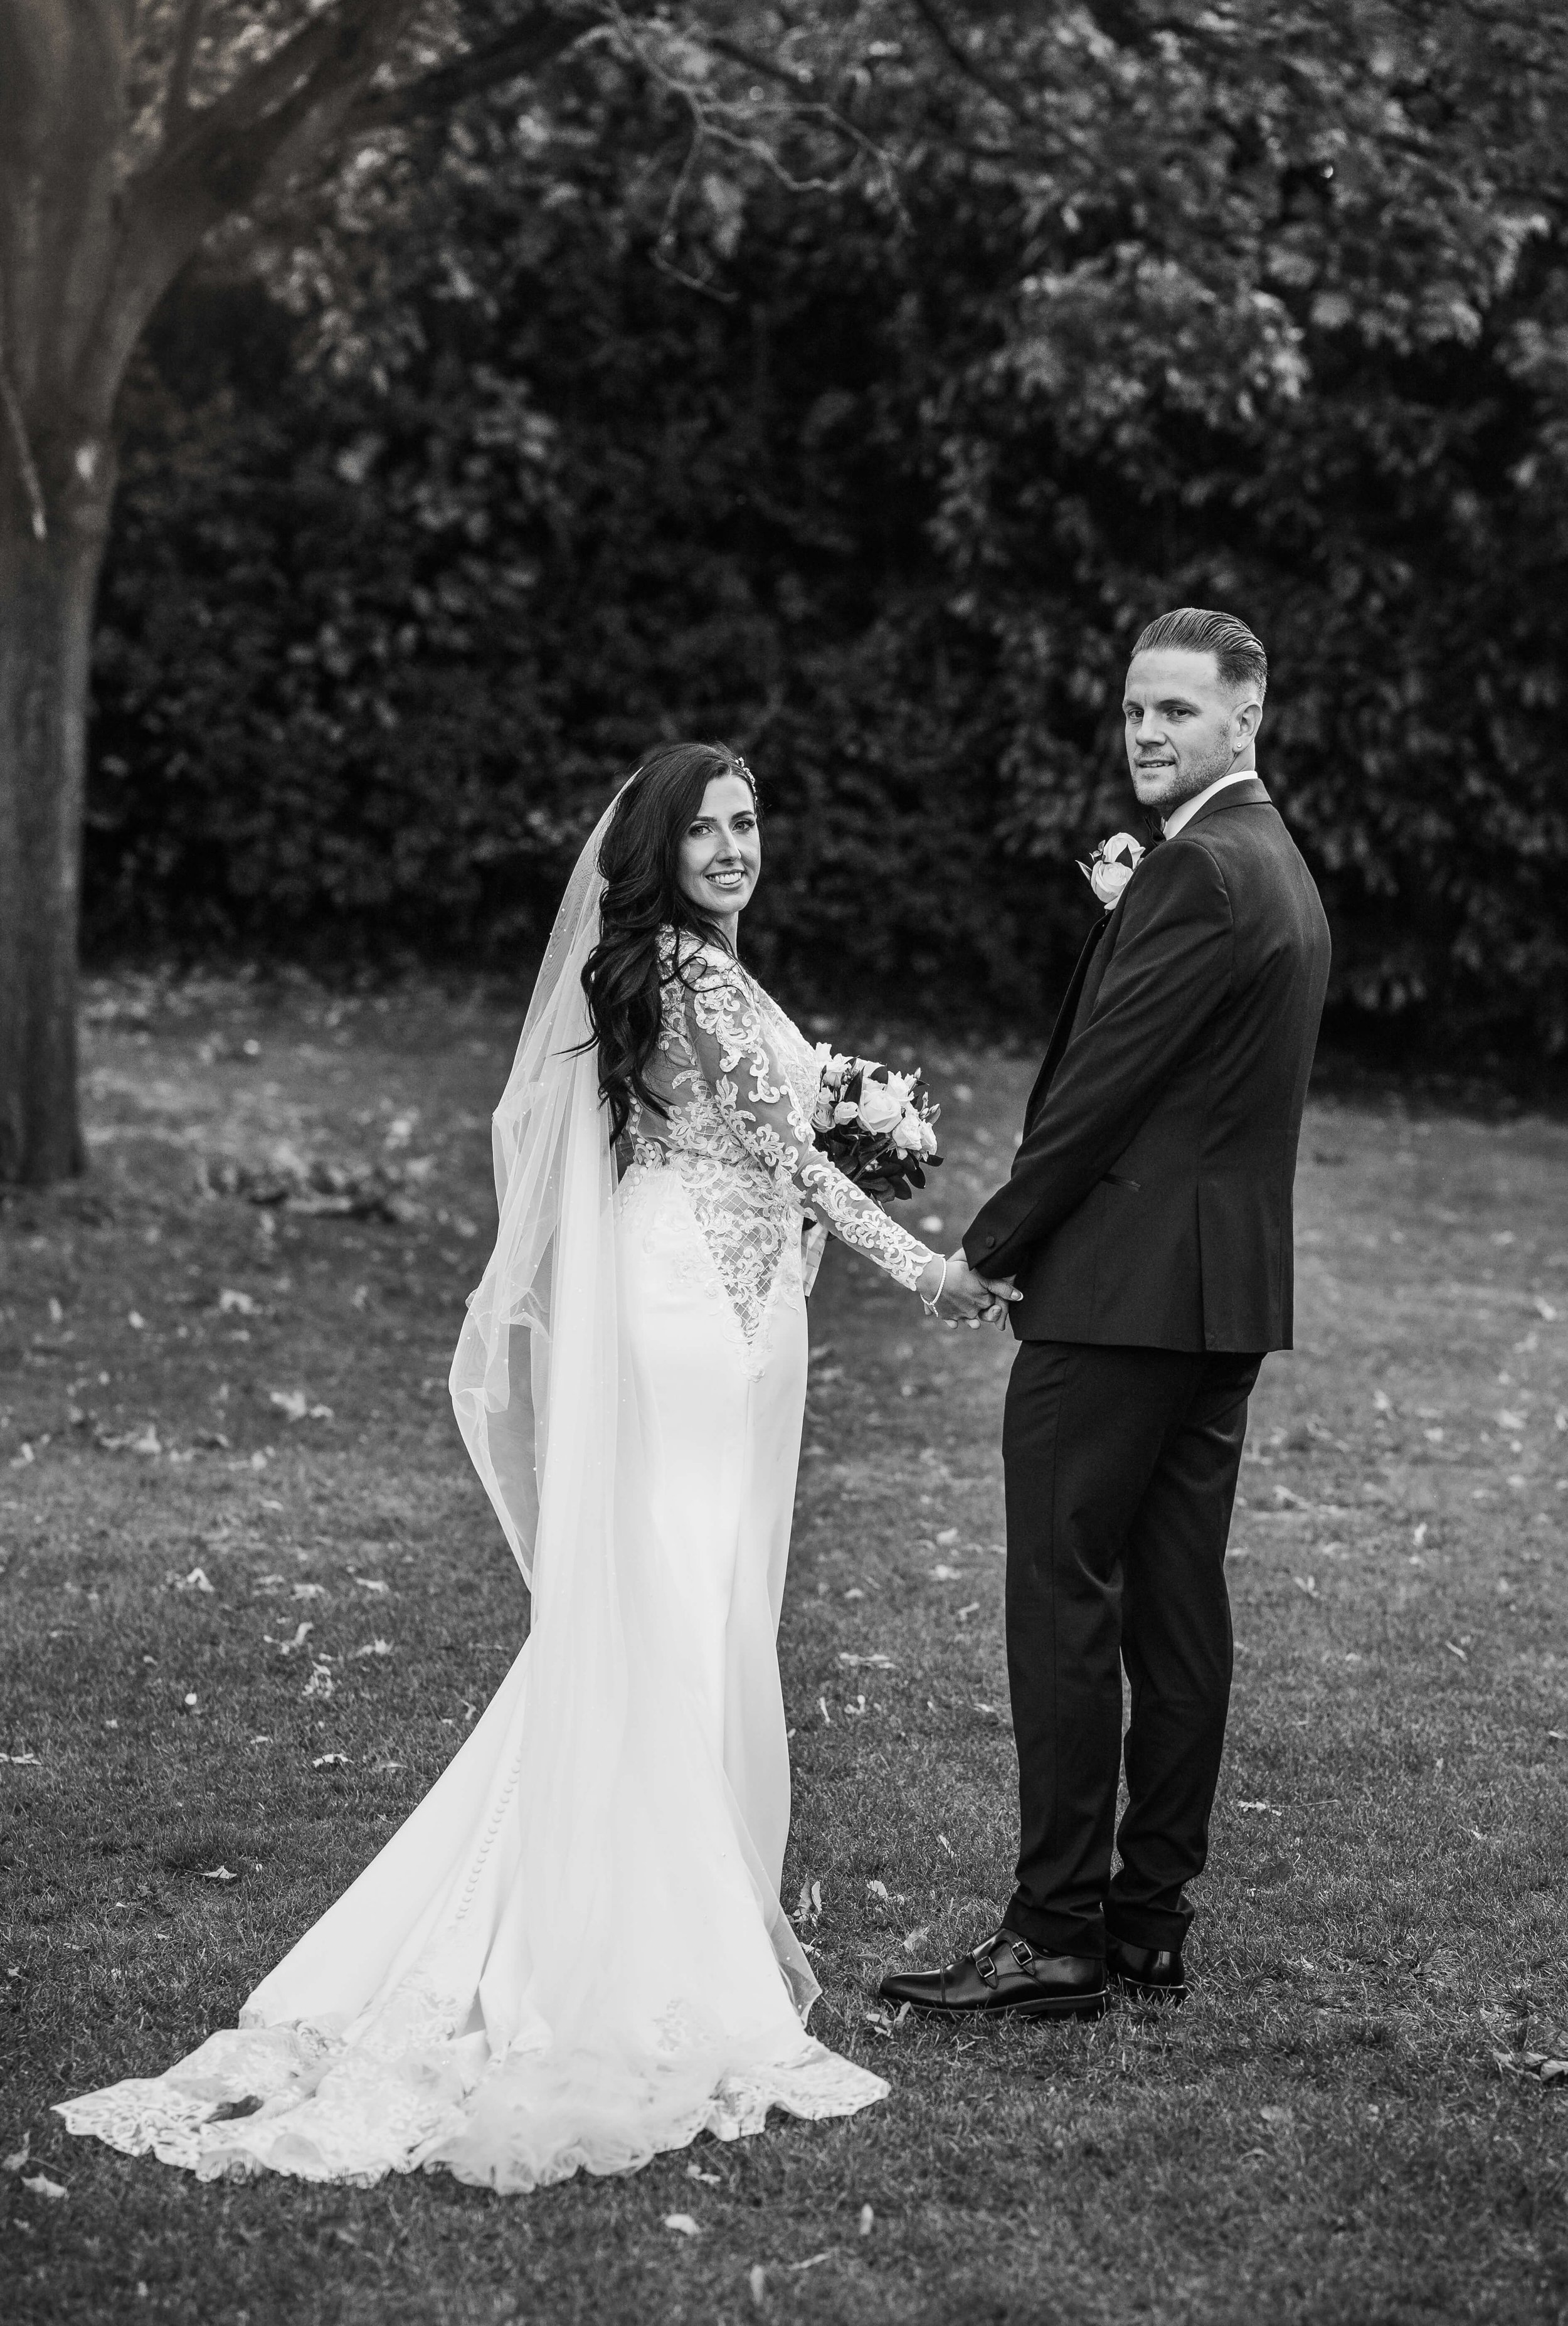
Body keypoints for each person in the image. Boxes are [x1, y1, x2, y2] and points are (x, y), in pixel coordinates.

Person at [57, 741, 1005, 2190]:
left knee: (695, 1602)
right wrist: (930, 1274)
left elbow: (774, 1151)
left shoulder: (703, 974)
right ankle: (647, 1946)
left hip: (738, 1306)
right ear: (659, 854)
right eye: (706, 833)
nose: (735, 849)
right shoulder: (685, 980)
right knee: (678, 1602)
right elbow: (783, 1159)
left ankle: (660, 1898)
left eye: (748, 824)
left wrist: (848, 1155)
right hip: (688, 1312)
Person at [881, 608, 1331, 2021]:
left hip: (1121, 1294)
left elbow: (1100, 1093)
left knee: (1064, 1599)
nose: (1145, 732)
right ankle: (1144, 1923)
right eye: (1135, 709)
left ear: (1243, 718)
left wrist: (988, 1246)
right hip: (1215, 1298)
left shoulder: (1202, 872)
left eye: (1177, 712)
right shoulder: (1268, 866)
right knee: (1176, 1605)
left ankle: (1053, 1931)